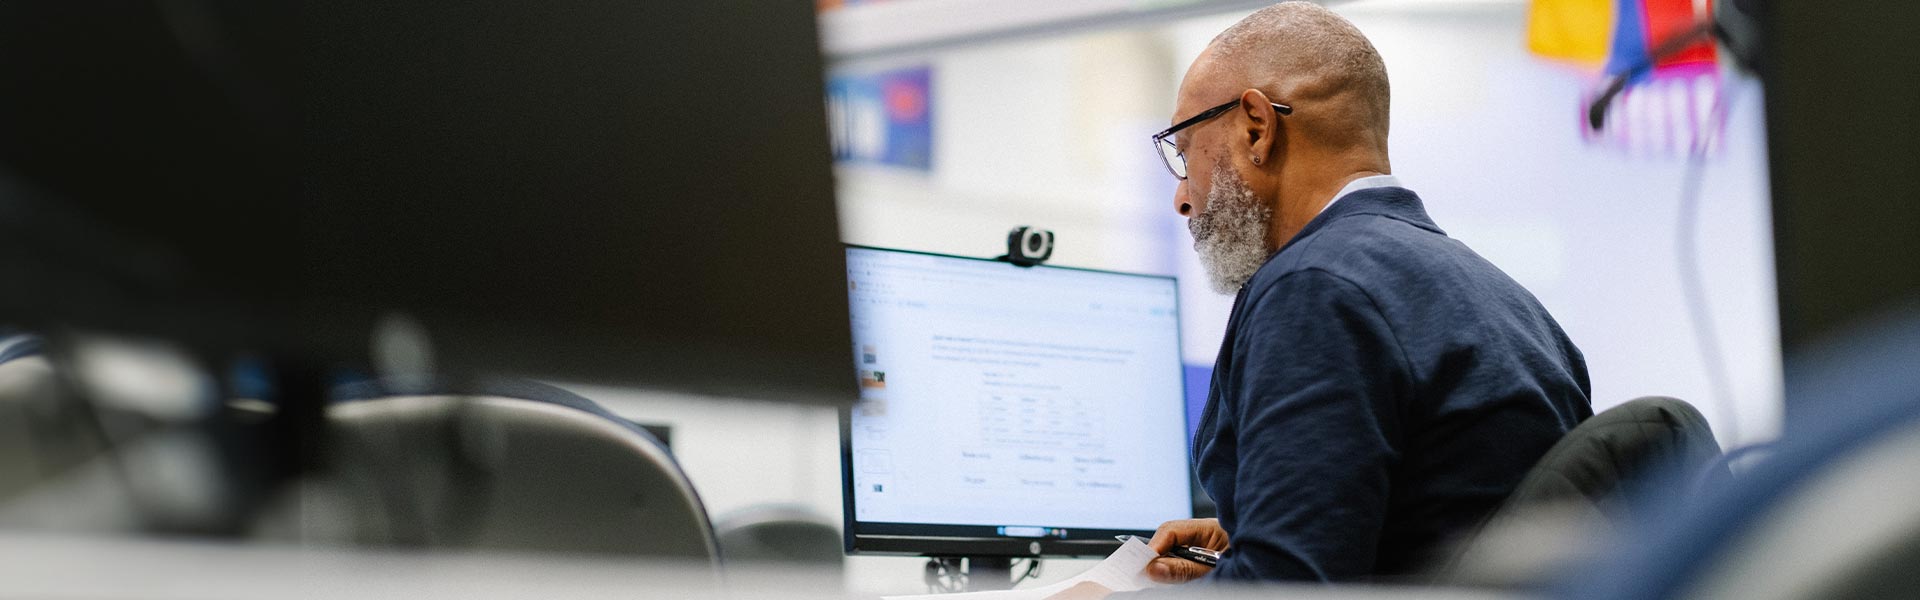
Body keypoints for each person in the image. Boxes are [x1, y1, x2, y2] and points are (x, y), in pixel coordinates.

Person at [1053, 3, 1592, 597]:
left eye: (1186, 153)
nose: (1182, 197)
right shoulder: (1506, 298)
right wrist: (1253, 535)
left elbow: (1286, 590)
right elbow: (1433, 525)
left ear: (1257, 126)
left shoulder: (1312, 288)